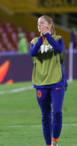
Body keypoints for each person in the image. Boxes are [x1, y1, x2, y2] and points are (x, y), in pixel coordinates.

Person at [29, 15, 68, 146]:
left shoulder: (58, 39)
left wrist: (48, 36)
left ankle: (55, 141)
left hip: (56, 80)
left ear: (49, 25)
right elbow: (33, 53)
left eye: (42, 23)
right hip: (41, 82)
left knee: (56, 112)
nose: (39, 25)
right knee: (45, 116)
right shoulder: (35, 41)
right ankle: (48, 144)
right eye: (38, 23)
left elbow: (59, 49)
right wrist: (42, 37)